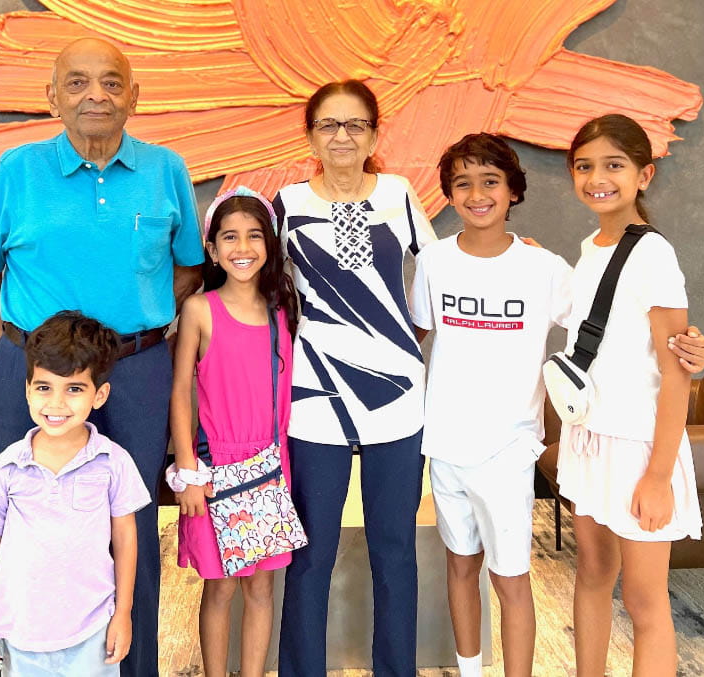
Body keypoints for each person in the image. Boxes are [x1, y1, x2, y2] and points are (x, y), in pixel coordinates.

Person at [0, 38, 203, 675]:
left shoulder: (166, 170)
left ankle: (133, 665)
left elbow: (188, 270)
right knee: (18, 521)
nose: (96, 94)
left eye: (111, 82)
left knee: (132, 525)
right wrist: (30, 351)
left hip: (137, 371)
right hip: (34, 373)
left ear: (134, 96)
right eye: (77, 82)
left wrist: (136, 329)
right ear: (52, 97)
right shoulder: (18, 170)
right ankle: (11, 659)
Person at [274, 80, 436, 676]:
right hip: (314, 397)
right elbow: (262, 287)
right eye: (328, 125)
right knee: (310, 553)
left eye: (355, 125)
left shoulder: (399, 194)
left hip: (397, 397)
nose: (342, 136)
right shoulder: (286, 203)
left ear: (374, 134)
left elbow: (437, 277)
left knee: (395, 551)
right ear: (310, 135)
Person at [409, 133, 571, 677]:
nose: (477, 194)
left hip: (508, 449)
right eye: (463, 184)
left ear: (513, 191)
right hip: (446, 444)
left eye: (490, 181)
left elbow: (598, 326)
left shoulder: (543, 267)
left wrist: (677, 338)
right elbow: (414, 337)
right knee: (460, 566)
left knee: (510, 578)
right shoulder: (434, 262)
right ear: (450, 195)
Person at [557, 114, 702, 677]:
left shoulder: (652, 254)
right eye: (584, 166)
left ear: (644, 175)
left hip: (641, 447)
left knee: (645, 601)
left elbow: (676, 372)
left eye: (613, 165)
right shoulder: (592, 246)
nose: (597, 178)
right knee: (592, 575)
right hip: (589, 438)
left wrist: (659, 476)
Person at [0, 311, 151, 677]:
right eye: (44, 387)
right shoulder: (6, 467)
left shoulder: (113, 462)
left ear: (99, 395)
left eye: (74, 389)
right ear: (27, 390)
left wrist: (123, 613)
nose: (56, 403)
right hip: (19, 635)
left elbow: (126, 538)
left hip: (92, 633)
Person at [168, 187, 299, 676]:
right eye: (230, 237)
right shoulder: (200, 310)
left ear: (270, 244)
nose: (242, 247)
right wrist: (187, 470)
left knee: (261, 586)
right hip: (214, 469)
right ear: (212, 248)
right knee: (220, 585)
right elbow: (180, 392)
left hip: (270, 467)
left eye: (254, 236)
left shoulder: (282, 309)